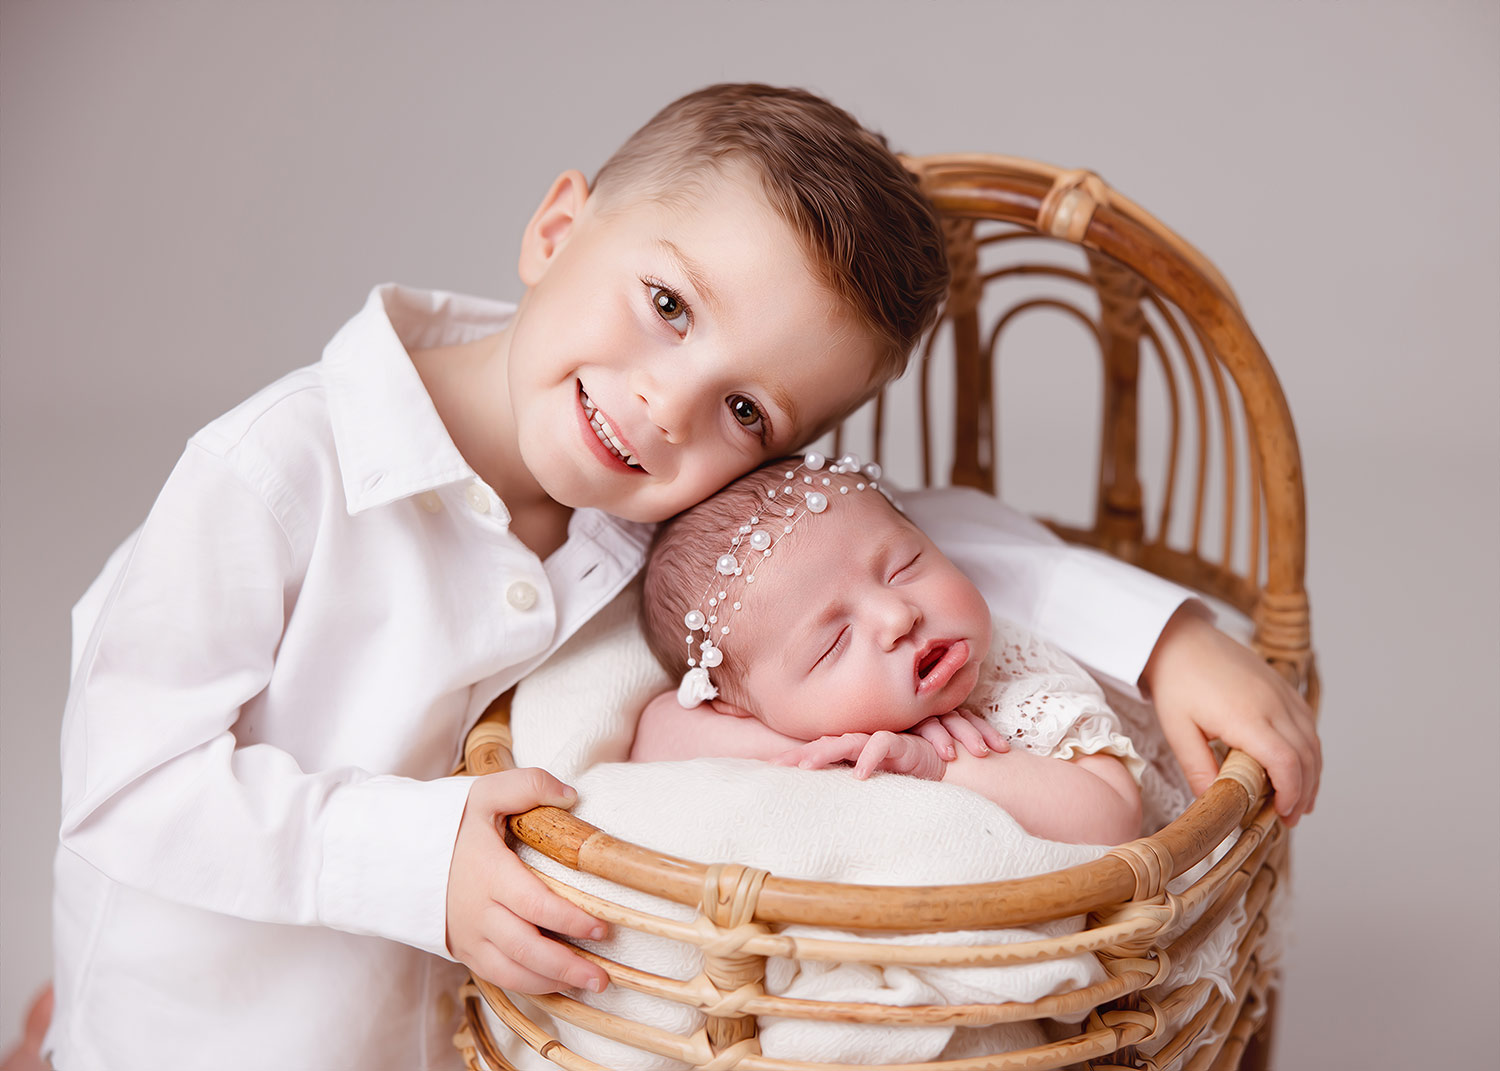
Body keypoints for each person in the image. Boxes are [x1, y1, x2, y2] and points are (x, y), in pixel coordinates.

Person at [45, 83, 1318, 1070]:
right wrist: (412, 861)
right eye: (666, 304)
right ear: (558, 228)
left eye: (748, 410)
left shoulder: (664, 503)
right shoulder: (281, 475)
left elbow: (909, 536)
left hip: (474, 1038)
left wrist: (1167, 640)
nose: (668, 404)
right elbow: (125, 780)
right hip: (212, 1034)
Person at [632, 454, 1145, 845]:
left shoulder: (1016, 676)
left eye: (903, 568)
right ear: (740, 708)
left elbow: (1115, 819)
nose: (898, 616)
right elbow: (657, 733)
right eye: (834, 643)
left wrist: (938, 764)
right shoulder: (777, 718)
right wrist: (832, 746)